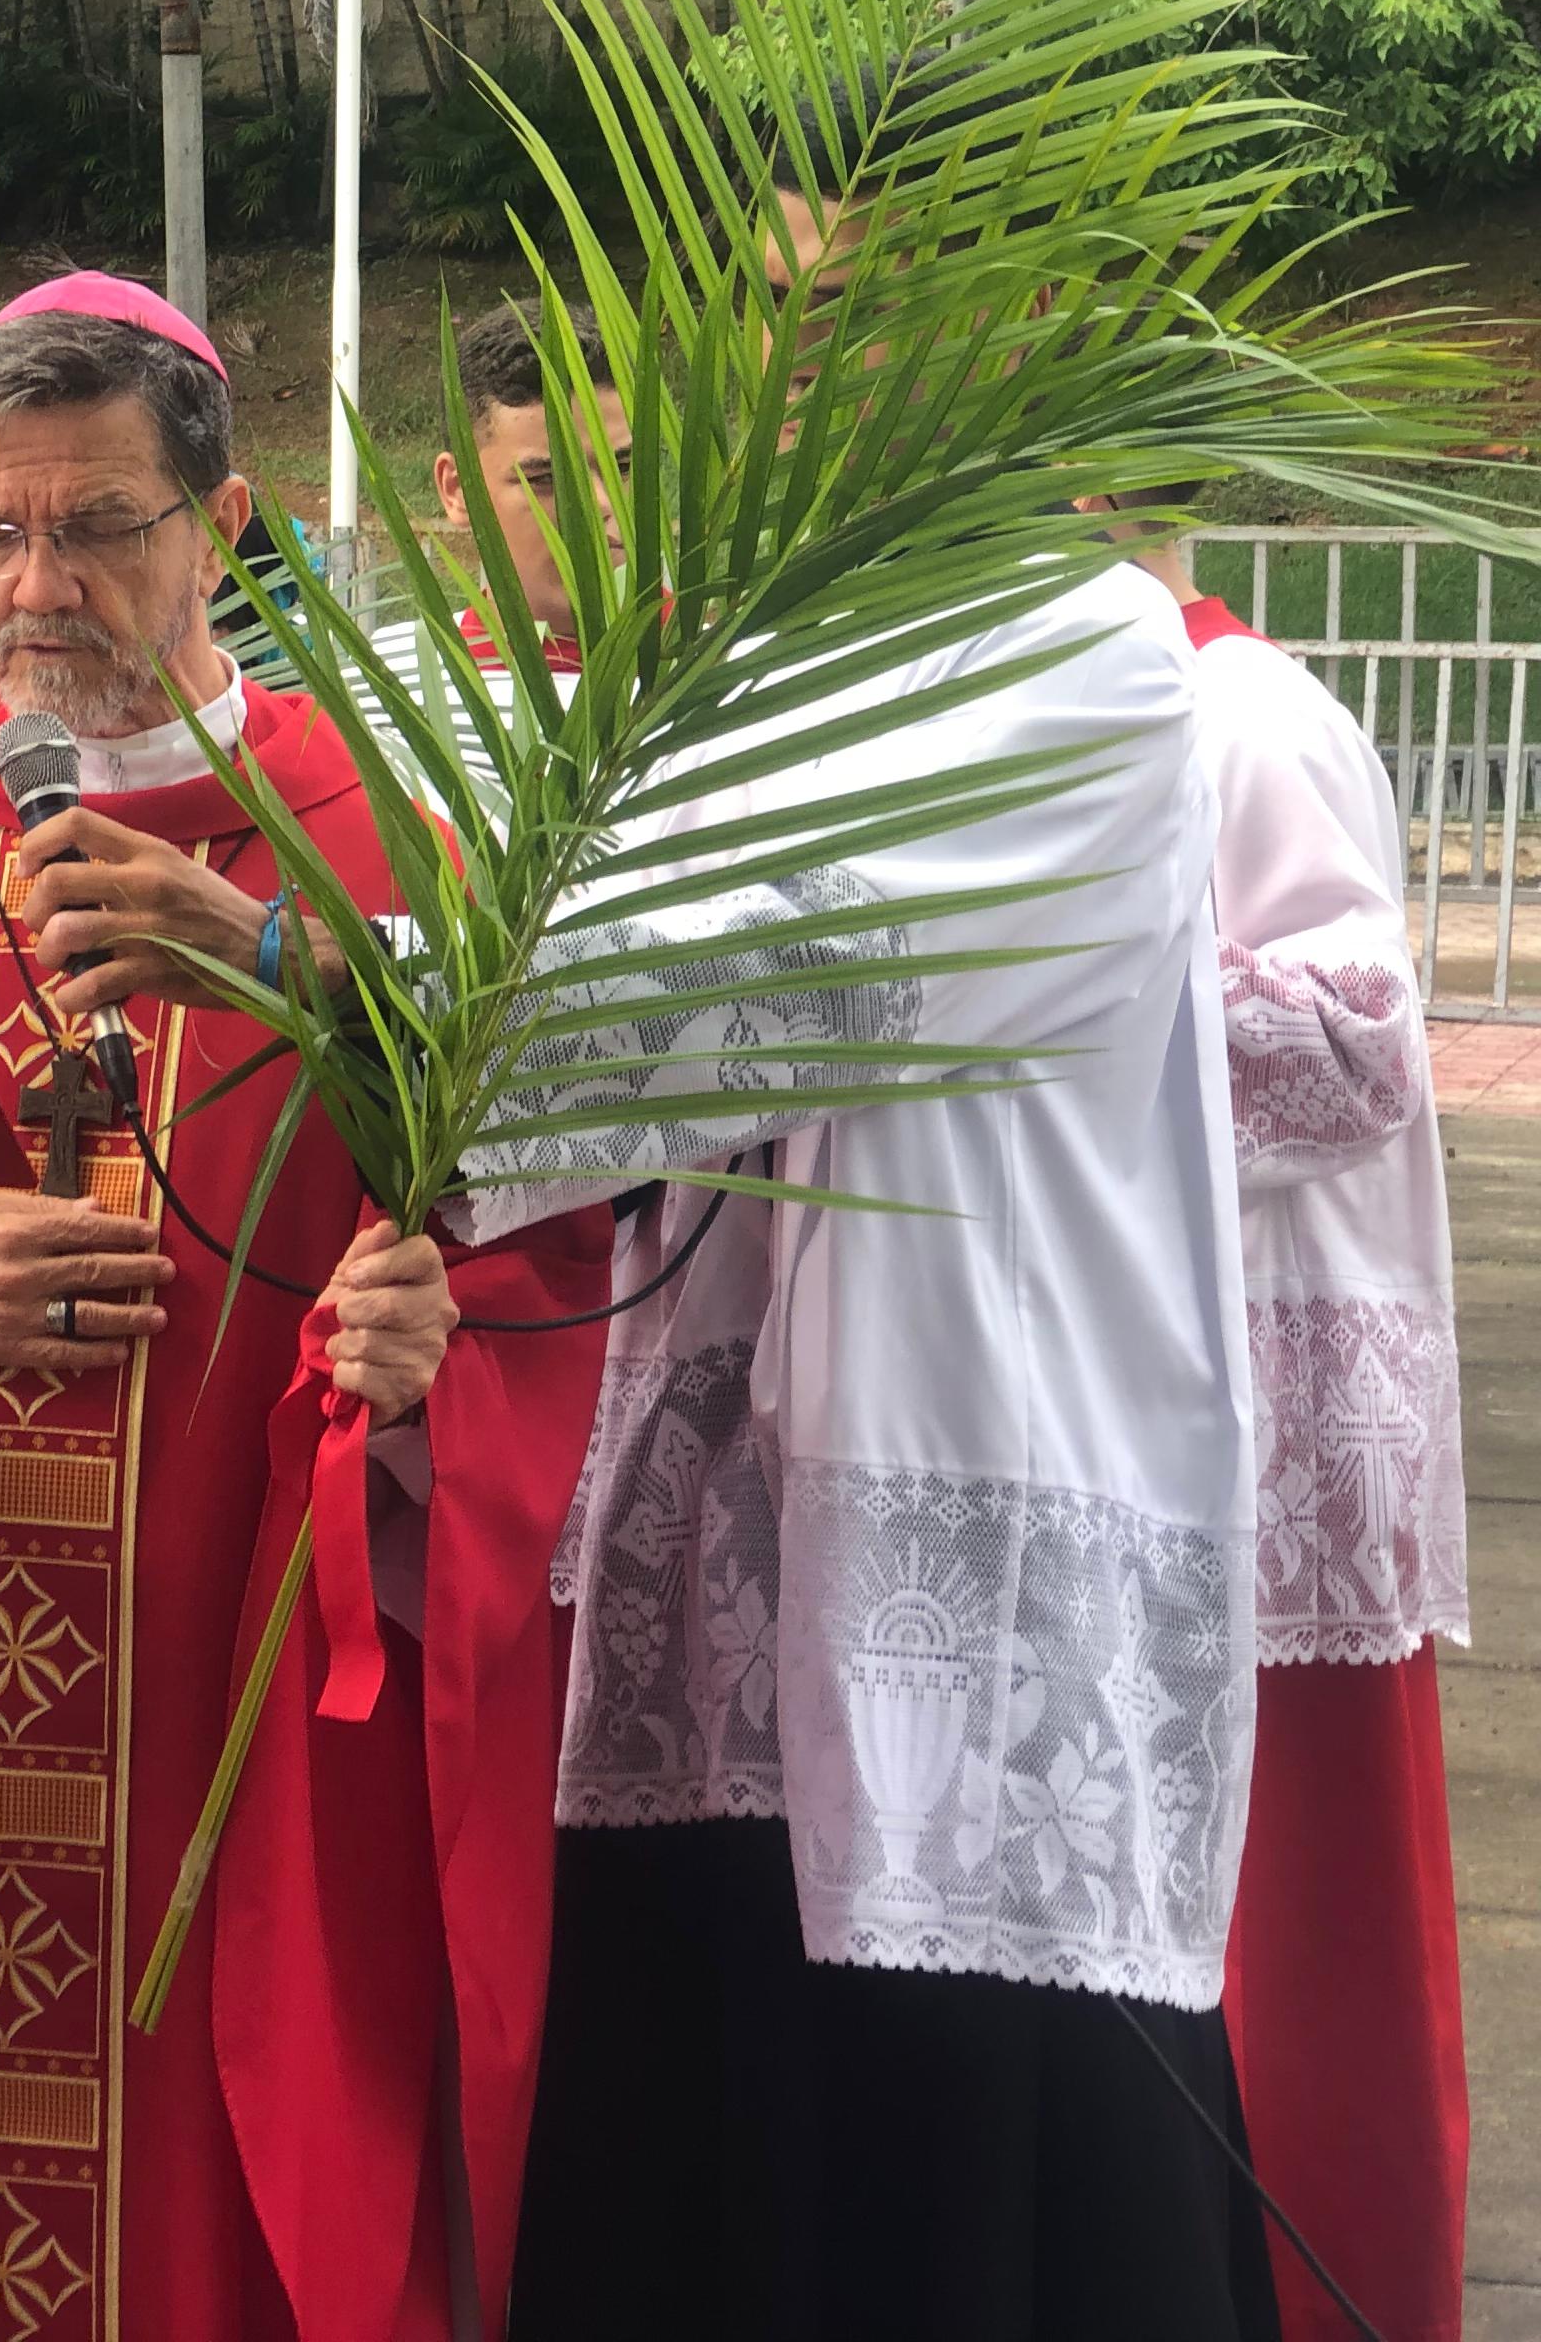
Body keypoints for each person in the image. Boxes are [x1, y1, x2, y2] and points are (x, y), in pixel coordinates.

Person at [0, 280, 617, 2342]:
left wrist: (426, 1375)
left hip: (233, 1741)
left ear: (226, 527)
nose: (37, 584)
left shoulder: (391, 873)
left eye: (96, 528)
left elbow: (542, 1270)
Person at [443, 159, 1278, 2335]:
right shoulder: (726, 647)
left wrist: (332, 967)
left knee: (956, 2201)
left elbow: (780, 974)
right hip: (714, 1543)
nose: (802, 372)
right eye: (772, 320)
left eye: (865, 313)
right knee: (704, 2154)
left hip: (962, 1555)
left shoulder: (1070, 646)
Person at [1142, 524, 1464, 2341]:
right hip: (1147, 1390)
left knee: (1306, 1963)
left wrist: (1048, 997)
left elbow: (1355, 1041)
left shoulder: (1238, 708)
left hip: (1276, 1436)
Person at [431, 299, 622, 669]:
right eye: (548, 479)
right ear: (457, 490)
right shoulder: (386, 707)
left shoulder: (748, 688)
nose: (600, 503)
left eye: (624, 468)